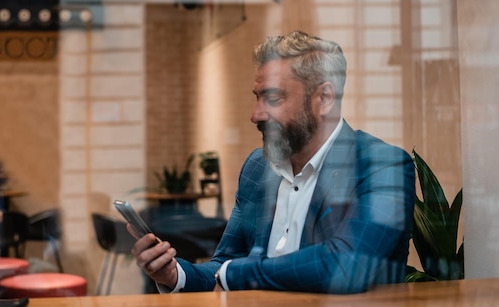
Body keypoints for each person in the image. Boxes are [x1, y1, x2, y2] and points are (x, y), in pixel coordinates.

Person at [128, 30, 415, 294]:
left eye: (273, 98)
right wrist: (175, 274)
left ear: (325, 97)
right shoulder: (258, 167)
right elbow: (225, 264)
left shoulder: (382, 166)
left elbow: (347, 265)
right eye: (257, 98)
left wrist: (235, 275)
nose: (256, 114)